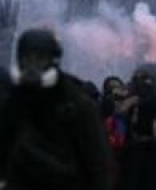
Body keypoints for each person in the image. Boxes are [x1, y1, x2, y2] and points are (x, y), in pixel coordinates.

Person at [0, 28, 113, 190]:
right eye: (27, 60)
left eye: (40, 59)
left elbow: (99, 165)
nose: (33, 67)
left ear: (53, 61)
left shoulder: (77, 106)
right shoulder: (13, 103)